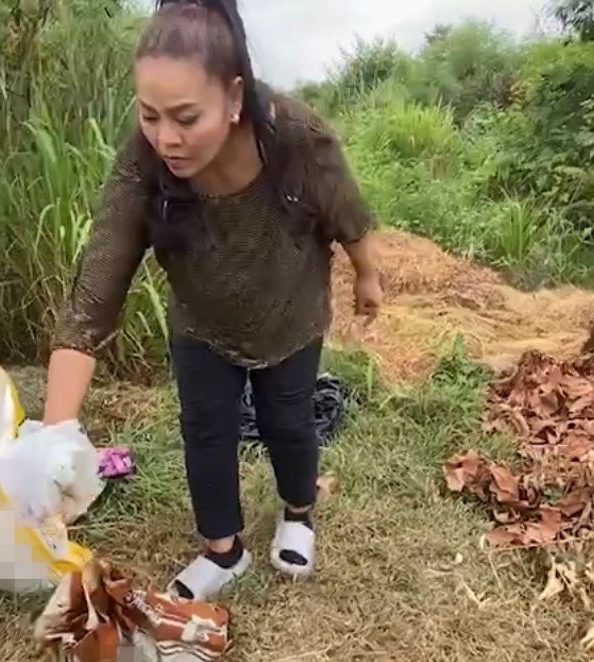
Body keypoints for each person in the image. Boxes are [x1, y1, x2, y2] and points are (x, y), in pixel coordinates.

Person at [43, 0, 382, 601]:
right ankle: (223, 551)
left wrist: (367, 276)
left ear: (233, 97)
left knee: (288, 422)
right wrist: (53, 434)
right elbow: (95, 294)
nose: (166, 138)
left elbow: (346, 209)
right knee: (205, 432)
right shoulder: (143, 163)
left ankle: (298, 514)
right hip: (201, 322)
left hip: (291, 312)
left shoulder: (295, 136)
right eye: (149, 115)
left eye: (185, 117)